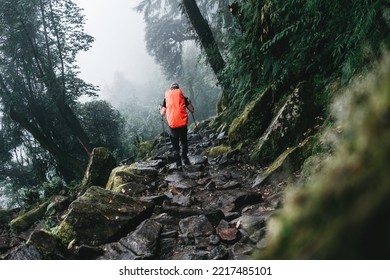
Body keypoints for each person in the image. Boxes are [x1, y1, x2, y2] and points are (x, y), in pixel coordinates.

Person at [160, 82, 194, 171]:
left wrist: (160, 108)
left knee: (175, 145)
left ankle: (179, 164)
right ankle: (185, 158)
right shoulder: (182, 97)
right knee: (184, 141)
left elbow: (162, 113)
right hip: (182, 124)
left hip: (173, 126)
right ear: (178, 89)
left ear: (171, 89)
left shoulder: (166, 99)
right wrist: (189, 102)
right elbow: (192, 110)